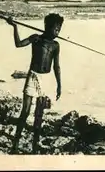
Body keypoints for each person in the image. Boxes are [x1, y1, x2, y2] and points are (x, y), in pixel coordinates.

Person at [6, 13, 64, 154]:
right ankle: (16, 143)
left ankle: (34, 145)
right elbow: (18, 44)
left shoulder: (56, 45)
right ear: (47, 27)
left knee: (39, 114)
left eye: (59, 30)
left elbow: (56, 66)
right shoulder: (36, 38)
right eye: (55, 29)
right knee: (25, 112)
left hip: (46, 80)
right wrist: (15, 27)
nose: (57, 32)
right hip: (32, 76)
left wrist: (59, 85)